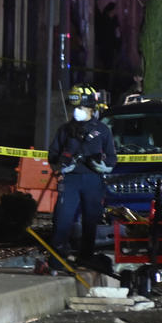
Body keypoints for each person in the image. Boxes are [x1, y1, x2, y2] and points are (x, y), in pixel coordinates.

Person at [47, 84, 118, 264]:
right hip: (70, 181)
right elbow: (53, 155)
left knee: (90, 222)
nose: (76, 111)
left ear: (89, 108)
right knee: (62, 219)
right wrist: (61, 167)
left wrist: (104, 166)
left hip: (93, 181)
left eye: (80, 108)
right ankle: (57, 259)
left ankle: (86, 257)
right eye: (75, 108)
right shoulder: (65, 130)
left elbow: (112, 158)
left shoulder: (102, 130)